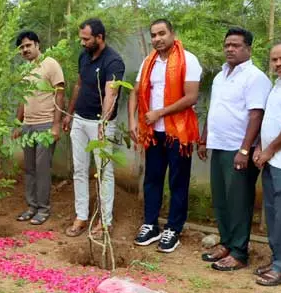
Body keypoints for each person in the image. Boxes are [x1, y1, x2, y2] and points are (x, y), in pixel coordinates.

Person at [197, 28, 271, 271]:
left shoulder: (255, 77)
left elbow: (256, 115)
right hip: (219, 145)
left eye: (236, 45)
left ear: (248, 49)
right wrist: (204, 138)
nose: (230, 48)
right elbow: (214, 109)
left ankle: (239, 252)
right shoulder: (221, 76)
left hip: (238, 150)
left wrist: (245, 150)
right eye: (227, 44)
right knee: (222, 200)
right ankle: (226, 242)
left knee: (239, 201)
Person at [128, 19, 202, 253]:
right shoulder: (148, 62)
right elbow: (135, 91)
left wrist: (160, 112)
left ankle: (173, 228)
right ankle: (150, 224)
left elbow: (191, 97)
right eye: (154, 35)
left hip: (178, 132)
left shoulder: (187, 59)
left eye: (162, 33)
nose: (157, 38)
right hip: (153, 132)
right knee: (152, 178)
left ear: (172, 34)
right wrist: (132, 120)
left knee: (178, 181)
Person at [62, 19, 125, 238]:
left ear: (99, 37)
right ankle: (81, 216)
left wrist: (104, 123)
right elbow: (79, 84)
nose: (82, 42)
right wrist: (70, 114)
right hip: (79, 120)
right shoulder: (84, 57)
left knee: (105, 172)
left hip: (100, 123)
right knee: (79, 170)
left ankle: (104, 221)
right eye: (81, 38)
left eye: (86, 39)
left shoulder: (114, 62)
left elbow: (111, 94)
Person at [252, 42, 281, 286]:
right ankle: (278, 259)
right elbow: (271, 121)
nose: (278, 64)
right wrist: (261, 147)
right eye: (274, 60)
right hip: (272, 160)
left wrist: (268, 150)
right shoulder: (279, 84)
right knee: (273, 213)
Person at [12, 31, 65, 225]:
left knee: (42, 169)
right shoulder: (23, 70)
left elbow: (60, 95)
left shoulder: (50, 64)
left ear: (37, 44)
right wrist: (18, 124)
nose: (25, 50)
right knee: (30, 169)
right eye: (22, 47)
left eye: (28, 45)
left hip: (45, 125)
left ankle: (43, 209)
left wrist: (56, 125)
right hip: (28, 126)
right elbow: (21, 99)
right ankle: (31, 206)